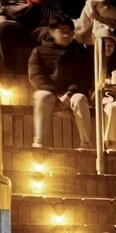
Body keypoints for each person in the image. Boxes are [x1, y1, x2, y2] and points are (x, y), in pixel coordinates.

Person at [28, 15, 94, 150]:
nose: (66, 35)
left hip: (73, 94)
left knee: (80, 99)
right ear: (52, 32)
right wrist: (56, 94)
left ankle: (86, 144)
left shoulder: (80, 52)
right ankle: (39, 142)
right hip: (51, 94)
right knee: (42, 96)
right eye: (62, 31)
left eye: (70, 31)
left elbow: (85, 77)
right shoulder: (39, 51)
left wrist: (69, 93)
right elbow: (36, 76)